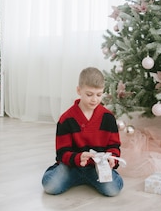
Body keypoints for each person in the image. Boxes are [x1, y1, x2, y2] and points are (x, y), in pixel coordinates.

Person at [42, 67, 124, 196]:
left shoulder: (108, 118)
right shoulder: (67, 119)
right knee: (50, 186)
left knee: (113, 190)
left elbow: (114, 146)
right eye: (89, 94)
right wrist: (78, 158)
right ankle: (64, 173)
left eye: (99, 94)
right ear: (79, 90)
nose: (94, 99)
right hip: (72, 167)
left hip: (97, 168)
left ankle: (89, 178)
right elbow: (62, 153)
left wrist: (112, 159)